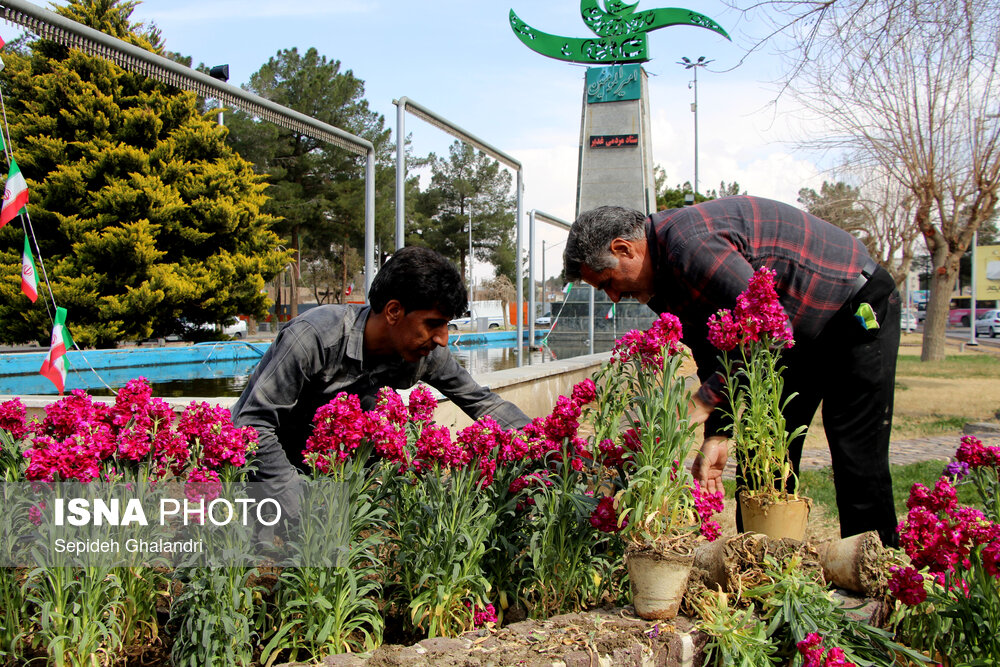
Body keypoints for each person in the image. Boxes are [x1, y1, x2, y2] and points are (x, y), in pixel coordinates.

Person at [563, 196, 900, 547]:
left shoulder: (690, 247)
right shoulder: (661, 280)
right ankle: (766, 572)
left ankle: (874, 576)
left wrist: (703, 402)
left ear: (624, 249)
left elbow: (766, 329)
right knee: (765, 453)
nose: (614, 297)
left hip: (854, 309)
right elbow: (718, 350)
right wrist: (718, 433)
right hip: (794, 334)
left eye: (607, 282)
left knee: (856, 452)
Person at [232, 245, 530, 516]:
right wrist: (303, 506)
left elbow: (482, 403)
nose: (442, 338)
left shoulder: (425, 352)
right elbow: (252, 424)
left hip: (332, 475)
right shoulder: (314, 338)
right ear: (394, 311)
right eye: (433, 324)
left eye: (446, 324)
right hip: (262, 477)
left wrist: (542, 444)